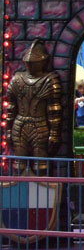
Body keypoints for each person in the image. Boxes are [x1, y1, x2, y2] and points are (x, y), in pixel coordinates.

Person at [7, 39, 63, 174]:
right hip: (20, 125)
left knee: (41, 166)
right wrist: (9, 130)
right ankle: (19, 194)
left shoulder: (50, 80)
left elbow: (54, 110)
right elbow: (11, 108)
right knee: (18, 165)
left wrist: (54, 133)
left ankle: (42, 195)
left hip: (40, 125)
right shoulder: (17, 79)